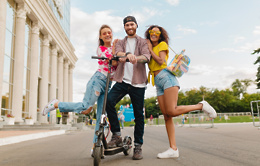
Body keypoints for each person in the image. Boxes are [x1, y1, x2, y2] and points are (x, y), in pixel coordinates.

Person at [41, 24, 118, 156]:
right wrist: (116, 47)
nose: (107, 35)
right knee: (85, 106)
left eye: (109, 32)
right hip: (98, 80)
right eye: (104, 33)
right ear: (100, 36)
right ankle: (56, 104)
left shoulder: (115, 48)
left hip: (108, 84)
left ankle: (96, 147)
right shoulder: (101, 49)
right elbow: (113, 61)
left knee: (101, 117)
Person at [145, 25, 217, 159]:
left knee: (171, 111)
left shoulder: (162, 45)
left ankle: (201, 106)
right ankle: (173, 148)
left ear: (160, 35)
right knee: (167, 116)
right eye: (151, 31)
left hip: (167, 79)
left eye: (156, 32)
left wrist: (149, 49)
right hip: (158, 83)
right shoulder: (149, 47)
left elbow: (160, 61)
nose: (153, 33)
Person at [106, 16, 151, 160]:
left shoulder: (143, 42)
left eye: (132, 24)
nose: (129, 27)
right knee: (108, 101)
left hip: (138, 83)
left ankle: (138, 146)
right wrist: (127, 55)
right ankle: (117, 135)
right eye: (127, 25)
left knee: (139, 116)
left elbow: (146, 57)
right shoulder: (120, 42)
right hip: (122, 80)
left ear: (136, 25)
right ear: (124, 27)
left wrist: (135, 58)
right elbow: (118, 54)